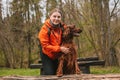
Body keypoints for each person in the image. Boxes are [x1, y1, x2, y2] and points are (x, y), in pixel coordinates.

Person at [38, 8, 69, 75]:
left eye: (58, 17)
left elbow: (69, 32)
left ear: (61, 18)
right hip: (47, 53)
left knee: (62, 72)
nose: (56, 19)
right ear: (50, 17)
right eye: (54, 16)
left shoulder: (63, 27)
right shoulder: (44, 29)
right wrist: (60, 48)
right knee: (50, 74)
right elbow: (45, 46)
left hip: (58, 53)